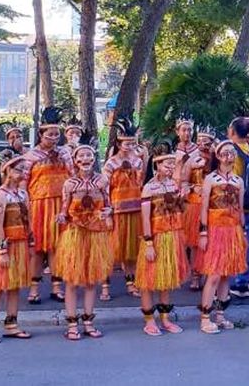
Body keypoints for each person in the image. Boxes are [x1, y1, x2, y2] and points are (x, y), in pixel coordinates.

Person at [55, 134, 114, 341]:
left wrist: (108, 213)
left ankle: (88, 321)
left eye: (89, 155)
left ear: (94, 158)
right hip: (75, 233)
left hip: (96, 235)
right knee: (72, 280)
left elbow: (108, 204)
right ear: (75, 160)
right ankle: (72, 323)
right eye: (81, 156)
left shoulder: (102, 181)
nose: (85, 159)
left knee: (91, 280)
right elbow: (64, 208)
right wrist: (62, 217)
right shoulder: (70, 184)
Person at [22, 107, 74, 304]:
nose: (54, 138)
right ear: (41, 135)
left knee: (57, 248)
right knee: (37, 249)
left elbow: (72, 176)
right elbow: (23, 183)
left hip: (61, 205)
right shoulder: (31, 156)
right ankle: (34, 289)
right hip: (38, 206)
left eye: (56, 134)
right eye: (50, 134)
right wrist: (24, 208)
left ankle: (56, 287)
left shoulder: (65, 153)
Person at [0, 153, 32, 343]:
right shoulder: (1, 195)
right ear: (8, 171)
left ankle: (11, 324)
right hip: (4, 247)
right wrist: (2, 251)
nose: (24, 173)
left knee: (15, 287)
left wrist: (30, 243)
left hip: (20, 245)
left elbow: (28, 221)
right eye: (20, 170)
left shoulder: (23, 193)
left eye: (25, 169)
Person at [136, 144, 189, 336]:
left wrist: (183, 198)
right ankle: (149, 320)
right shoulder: (149, 188)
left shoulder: (173, 185)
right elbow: (145, 218)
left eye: (172, 165)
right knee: (149, 280)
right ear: (157, 165)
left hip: (173, 235)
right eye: (167, 164)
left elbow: (180, 210)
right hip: (156, 237)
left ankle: (165, 319)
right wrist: (149, 243)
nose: (170, 168)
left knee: (167, 279)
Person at [198, 140, 246, 333]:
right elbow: (204, 207)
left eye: (232, 152)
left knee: (226, 275)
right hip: (215, 229)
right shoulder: (210, 179)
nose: (229, 156)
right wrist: (203, 232)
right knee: (214, 274)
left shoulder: (238, 181)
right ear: (218, 156)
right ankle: (204, 317)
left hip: (232, 230)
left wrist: (242, 232)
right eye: (225, 153)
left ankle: (220, 315)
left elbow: (241, 209)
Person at [102, 114, 145, 300]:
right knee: (113, 250)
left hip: (134, 209)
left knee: (131, 250)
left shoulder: (138, 161)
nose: (130, 147)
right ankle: (105, 286)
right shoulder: (111, 163)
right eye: (126, 143)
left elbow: (141, 184)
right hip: (117, 210)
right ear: (119, 144)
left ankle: (131, 283)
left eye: (133, 143)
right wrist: (108, 212)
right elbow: (104, 189)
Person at [180, 125, 215, 291]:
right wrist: (193, 188)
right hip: (195, 203)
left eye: (206, 141)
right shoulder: (191, 160)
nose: (202, 144)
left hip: (213, 205)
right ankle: (195, 276)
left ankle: (210, 274)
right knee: (195, 242)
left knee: (211, 242)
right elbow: (184, 181)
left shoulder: (217, 158)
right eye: (199, 141)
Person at [229, 116, 249, 298]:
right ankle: (243, 282)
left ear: (232, 131)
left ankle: (234, 280)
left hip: (236, 205)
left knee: (234, 243)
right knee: (247, 244)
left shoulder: (231, 150)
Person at [0, 122, 25, 192]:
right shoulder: (6, 155)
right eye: (12, 137)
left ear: (23, 137)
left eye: (18, 136)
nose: (16, 139)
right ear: (8, 141)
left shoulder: (29, 152)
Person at [173, 116, 198, 184]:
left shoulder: (198, 150)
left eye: (189, 130)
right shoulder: (173, 150)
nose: (187, 133)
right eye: (184, 130)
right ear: (177, 132)